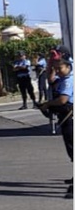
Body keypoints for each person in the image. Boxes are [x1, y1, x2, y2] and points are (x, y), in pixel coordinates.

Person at [39, 56, 73, 196]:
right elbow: (51, 81)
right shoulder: (62, 80)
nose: (58, 71)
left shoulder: (69, 81)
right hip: (65, 119)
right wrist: (50, 68)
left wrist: (48, 104)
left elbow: (63, 99)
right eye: (56, 68)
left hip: (70, 117)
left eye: (60, 68)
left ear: (68, 67)